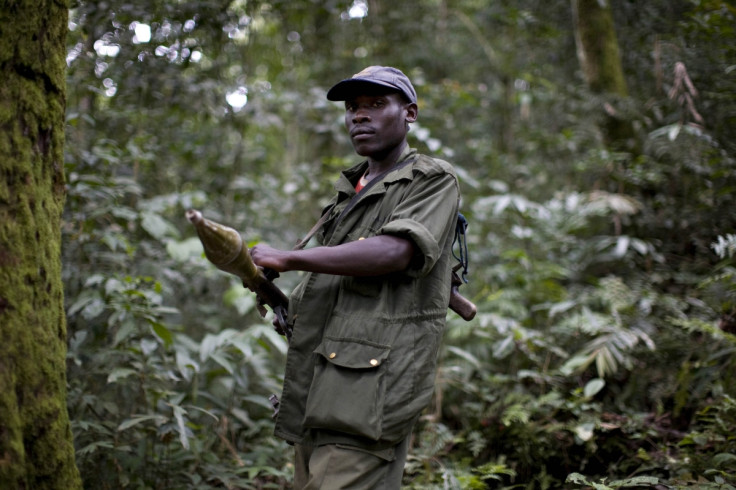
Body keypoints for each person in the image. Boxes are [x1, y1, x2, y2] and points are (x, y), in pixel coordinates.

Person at [250, 65, 461, 489]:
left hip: (366, 397)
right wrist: (289, 304)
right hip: (319, 390)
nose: (359, 116)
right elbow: (342, 283)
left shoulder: (431, 180)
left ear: (410, 114)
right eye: (352, 108)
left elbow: (395, 251)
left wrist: (291, 257)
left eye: (376, 104)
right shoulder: (352, 191)